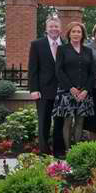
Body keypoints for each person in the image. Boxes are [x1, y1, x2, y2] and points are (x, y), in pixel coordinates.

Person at [53, 21, 95, 152]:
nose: (76, 34)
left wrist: (86, 90)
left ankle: (76, 151)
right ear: (69, 34)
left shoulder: (88, 51)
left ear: (82, 34)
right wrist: (70, 88)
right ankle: (67, 151)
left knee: (80, 122)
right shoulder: (62, 49)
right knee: (67, 121)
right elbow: (59, 71)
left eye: (79, 32)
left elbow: (92, 73)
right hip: (67, 92)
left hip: (84, 93)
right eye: (74, 31)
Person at [28, 16, 65, 157]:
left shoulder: (66, 44)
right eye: (51, 26)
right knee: (44, 121)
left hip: (62, 90)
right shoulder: (37, 45)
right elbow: (33, 69)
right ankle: (44, 152)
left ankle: (59, 151)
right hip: (43, 90)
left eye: (56, 26)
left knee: (59, 122)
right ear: (46, 28)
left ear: (60, 28)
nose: (54, 29)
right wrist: (34, 89)